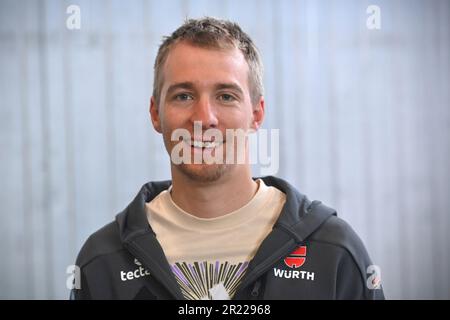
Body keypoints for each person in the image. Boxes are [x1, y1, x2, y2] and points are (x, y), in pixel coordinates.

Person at [71, 17, 385, 300]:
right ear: (156, 113)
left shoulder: (333, 252)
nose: (204, 118)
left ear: (256, 113)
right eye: (184, 95)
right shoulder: (103, 261)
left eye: (226, 96)